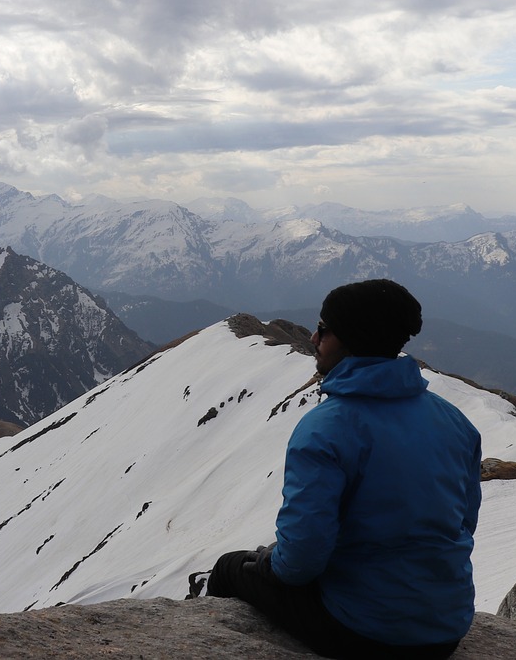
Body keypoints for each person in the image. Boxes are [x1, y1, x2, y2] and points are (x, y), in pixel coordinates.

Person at [204, 279, 482, 659]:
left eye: (324, 328)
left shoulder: (327, 428)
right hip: (447, 628)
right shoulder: (455, 422)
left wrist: (270, 562)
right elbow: (464, 522)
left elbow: (300, 561)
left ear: (349, 339)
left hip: (365, 631)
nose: (315, 337)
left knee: (228, 568)